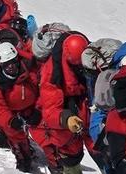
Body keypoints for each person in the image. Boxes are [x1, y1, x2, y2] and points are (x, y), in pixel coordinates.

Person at [33, 32, 95, 173]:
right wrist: (66, 119)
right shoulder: (52, 73)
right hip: (67, 124)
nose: (79, 67)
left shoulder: (89, 60)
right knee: (71, 158)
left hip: (88, 114)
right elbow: (50, 110)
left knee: (101, 152)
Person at [0, 43, 41, 172]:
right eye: (6, 64)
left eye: (13, 62)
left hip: (31, 108)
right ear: (0, 65)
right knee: (16, 135)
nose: (11, 66)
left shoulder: (30, 69)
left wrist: (38, 109)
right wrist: (10, 121)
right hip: (11, 114)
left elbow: (41, 90)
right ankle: (23, 157)